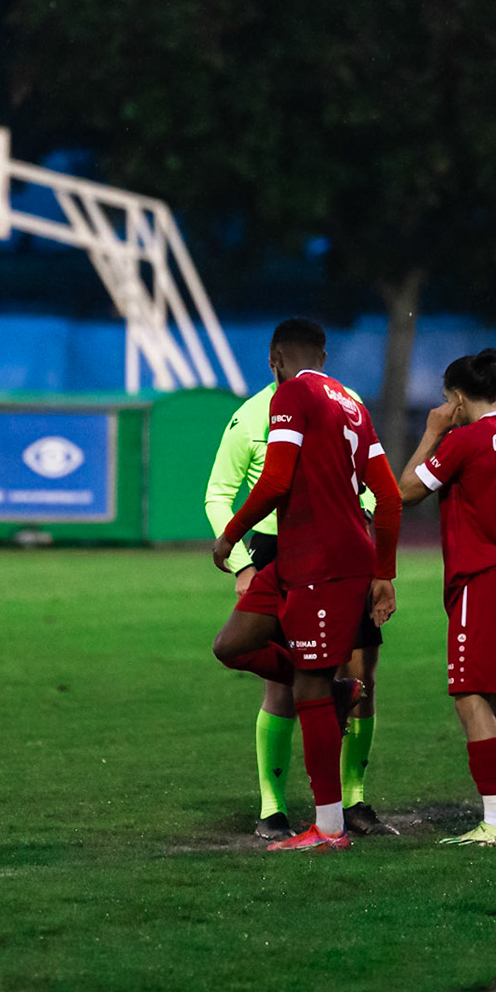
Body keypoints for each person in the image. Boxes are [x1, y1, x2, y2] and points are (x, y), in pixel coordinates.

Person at [211, 319, 402, 851]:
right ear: (324, 353)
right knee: (231, 645)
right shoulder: (351, 403)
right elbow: (385, 496)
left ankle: (329, 828)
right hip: (299, 558)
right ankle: (336, 691)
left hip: (324, 561)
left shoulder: (291, 393)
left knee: (309, 689)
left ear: (274, 358)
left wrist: (231, 536)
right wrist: (383, 570)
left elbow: (275, 479)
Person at [399, 349, 496, 847]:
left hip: (483, 578)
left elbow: (403, 492)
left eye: (445, 401)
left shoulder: (463, 441)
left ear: (457, 398)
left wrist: (432, 433)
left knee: (468, 695)